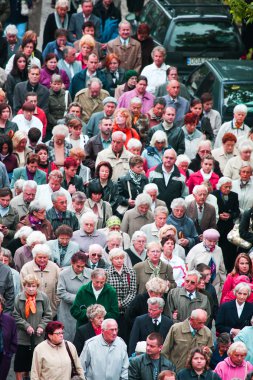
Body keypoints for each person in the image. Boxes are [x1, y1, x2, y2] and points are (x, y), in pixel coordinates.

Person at [12, 274, 52, 380]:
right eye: (28, 286)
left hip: (39, 337)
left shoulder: (43, 297)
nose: (30, 288)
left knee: (37, 363)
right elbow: (15, 315)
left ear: (37, 286)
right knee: (20, 364)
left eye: (33, 286)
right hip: (23, 338)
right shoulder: (19, 298)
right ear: (24, 286)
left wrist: (41, 326)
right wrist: (26, 326)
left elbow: (48, 315)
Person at [57, 251, 91, 341]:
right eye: (78, 266)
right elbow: (61, 292)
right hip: (68, 312)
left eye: (83, 266)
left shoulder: (91, 273)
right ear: (72, 263)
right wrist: (78, 299)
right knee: (68, 337)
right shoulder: (63, 274)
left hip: (86, 311)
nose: (80, 269)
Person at [20, 244, 60, 317]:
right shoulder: (26, 268)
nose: (42, 260)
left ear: (48, 257)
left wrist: (55, 302)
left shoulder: (55, 268)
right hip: (31, 307)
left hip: (51, 307)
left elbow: (59, 287)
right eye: (40, 257)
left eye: (45, 257)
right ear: (35, 256)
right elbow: (22, 288)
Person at [186, 229, 226, 294]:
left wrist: (223, 285)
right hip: (199, 286)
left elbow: (222, 270)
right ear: (204, 239)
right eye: (210, 241)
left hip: (215, 285)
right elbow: (188, 269)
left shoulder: (218, 250)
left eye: (215, 241)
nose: (212, 243)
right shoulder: (195, 249)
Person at [213, 176, 240, 272]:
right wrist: (218, 215)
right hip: (217, 226)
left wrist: (230, 215)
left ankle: (228, 270)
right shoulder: (214, 195)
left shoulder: (234, 195)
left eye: (229, 187)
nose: (228, 189)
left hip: (229, 228)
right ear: (220, 186)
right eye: (226, 187)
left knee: (229, 251)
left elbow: (237, 211)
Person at [0, 294, 17, 380]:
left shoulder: (9, 320)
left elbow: (14, 337)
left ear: (2, 306)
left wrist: (10, 353)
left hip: (4, 356)